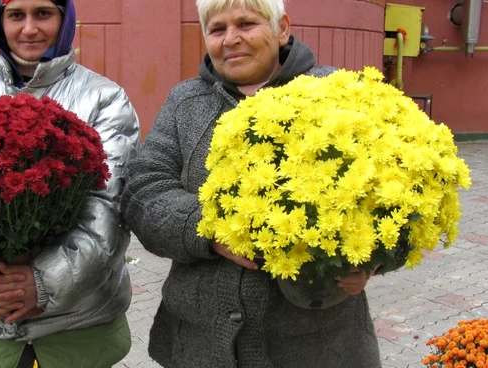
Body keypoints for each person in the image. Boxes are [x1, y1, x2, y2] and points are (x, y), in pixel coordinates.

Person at [120, 0, 394, 367]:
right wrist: (211, 231)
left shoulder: (337, 92)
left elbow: (398, 185)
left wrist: (375, 258)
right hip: (203, 343)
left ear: (281, 28)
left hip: (319, 346)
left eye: (247, 24)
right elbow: (144, 189)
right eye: (217, 29)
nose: (231, 39)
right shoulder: (186, 102)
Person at [0, 0, 140, 367]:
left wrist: (41, 284)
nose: (29, 29)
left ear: (65, 21)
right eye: (16, 15)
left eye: (43, 14)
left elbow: (108, 210)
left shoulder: (104, 99)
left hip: (76, 328)